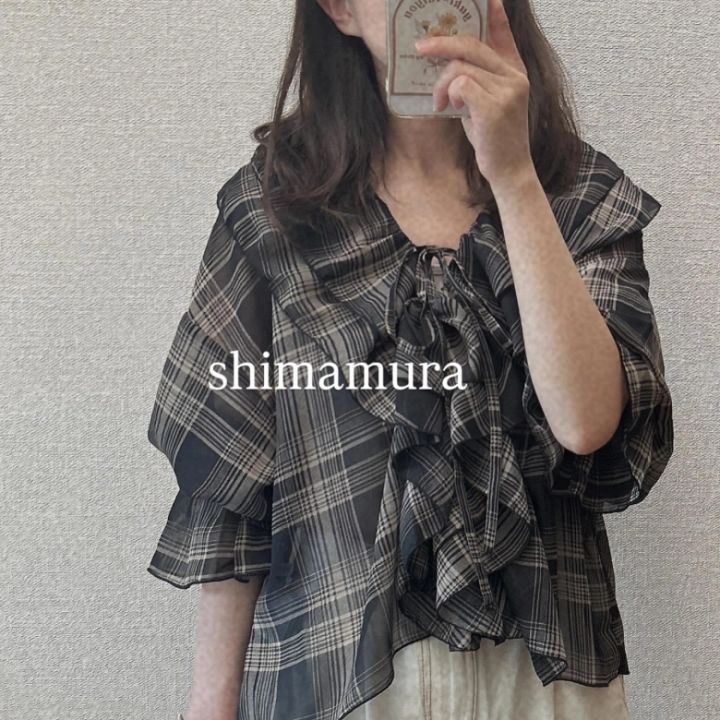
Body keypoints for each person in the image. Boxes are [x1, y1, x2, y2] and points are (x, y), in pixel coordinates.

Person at [146, 1, 674, 719]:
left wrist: (514, 176)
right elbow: (230, 480)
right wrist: (210, 705)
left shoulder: (579, 196)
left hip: (545, 682)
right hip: (331, 672)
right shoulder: (271, 210)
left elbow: (587, 424)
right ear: (338, 8)